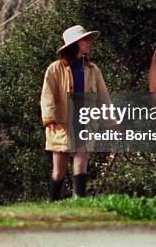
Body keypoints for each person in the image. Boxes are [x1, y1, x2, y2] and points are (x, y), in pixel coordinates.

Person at [41, 25, 109, 200]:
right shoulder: (55, 69)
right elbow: (47, 95)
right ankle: (53, 204)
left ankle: (79, 202)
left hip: (85, 124)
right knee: (58, 172)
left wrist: (111, 122)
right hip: (62, 125)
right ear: (75, 44)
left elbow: (103, 96)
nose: (88, 43)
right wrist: (49, 119)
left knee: (81, 165)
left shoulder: (93, 70)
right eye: (84, 40)